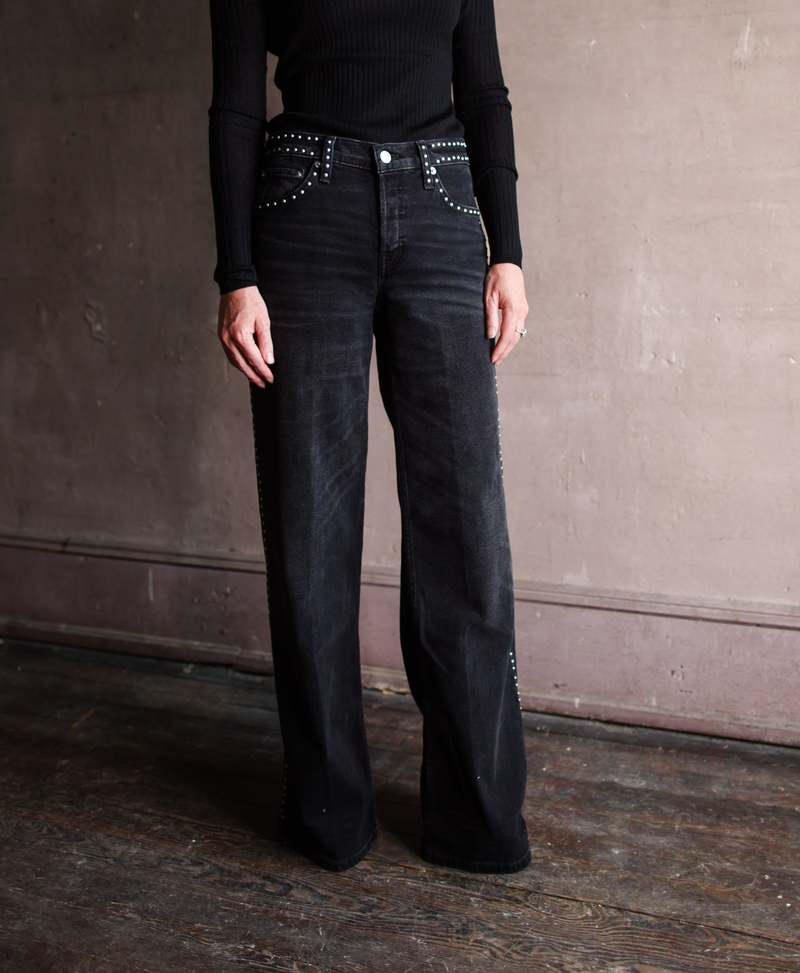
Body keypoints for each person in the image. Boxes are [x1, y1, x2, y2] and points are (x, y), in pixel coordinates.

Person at [207, 0, 532, 874]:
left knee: (465, 524)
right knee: (310, 527)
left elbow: (484, 91)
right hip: (305, 209)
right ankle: (329, 809)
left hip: (442, 203)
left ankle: (476, 817)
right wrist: (236, 274)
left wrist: (508, 251)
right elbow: (235, 102)